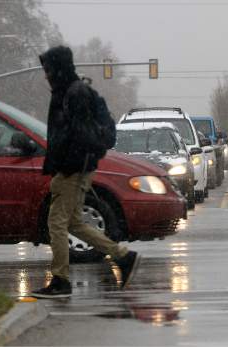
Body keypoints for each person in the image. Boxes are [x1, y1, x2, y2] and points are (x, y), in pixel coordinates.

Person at [31, 46, 141, 299]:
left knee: (55, 223)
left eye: (48, 70)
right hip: (77, 169)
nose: (45, 75)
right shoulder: (70, 91)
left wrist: (68, 165)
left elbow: (79, 135)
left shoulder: (73, 94)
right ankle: (124, 257)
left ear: (59, 69)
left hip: (73, 170)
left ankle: (60, 280)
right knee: (73, 223)